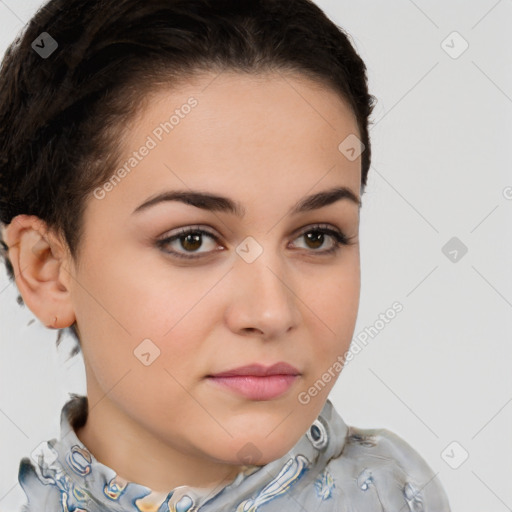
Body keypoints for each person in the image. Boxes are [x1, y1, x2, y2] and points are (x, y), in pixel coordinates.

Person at [0, 0, 451, 510]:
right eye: (191, 240)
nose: (271, 313)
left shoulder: (394, 496)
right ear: (48, 269)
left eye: (316, 236)